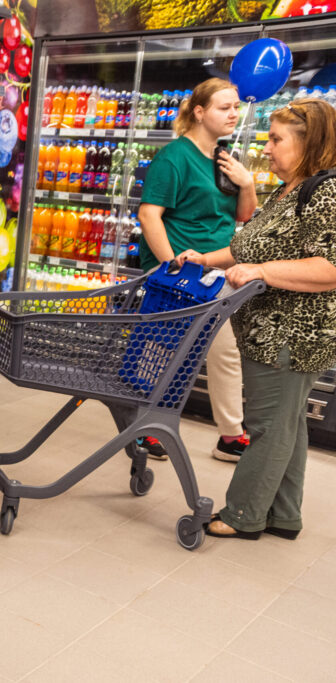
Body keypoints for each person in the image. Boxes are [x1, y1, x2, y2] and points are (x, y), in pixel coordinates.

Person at [176, 97, 336, 540]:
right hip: (268, 331)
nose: (266, 148)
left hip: (293, 335)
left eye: (276, 139)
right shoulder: (290, 190)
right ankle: (283, 515)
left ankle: (243, 515)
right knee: (287, 424)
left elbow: (330, 267)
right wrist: (205, 259)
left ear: (309, 143)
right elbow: (248, 247)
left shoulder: (326, 193)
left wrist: (262, 271)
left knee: (268, 426)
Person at [137, 78, 257, 463]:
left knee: (224, 350)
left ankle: (229, 435)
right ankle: (146, 426)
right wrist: (170, 267)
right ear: (200, 112)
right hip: (181, 272)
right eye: (225, 107)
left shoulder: (223, 157)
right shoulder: (175, 157)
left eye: (236, 107)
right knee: (163, 345)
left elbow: (242, 215)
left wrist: (247, 182)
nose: (234, 114)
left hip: (217, 269)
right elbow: (149, 215)